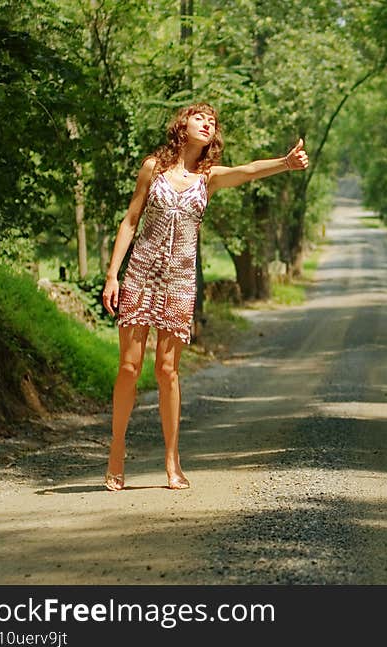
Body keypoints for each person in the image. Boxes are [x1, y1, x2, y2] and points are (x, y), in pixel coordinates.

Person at [100, 102, 309, 491]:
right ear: (181, 125)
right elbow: (130, 221)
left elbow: (247, 172)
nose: (208, 122)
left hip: (179, 281)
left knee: (167, 371)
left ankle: (172, 458)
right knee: (129, 367)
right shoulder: (153, 169)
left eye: (212, 121)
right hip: (141, 273)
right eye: (200, 117)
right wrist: (113, 274)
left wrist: (284, 162)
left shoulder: (207, 178)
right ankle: (116, 448)